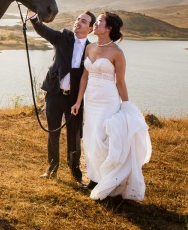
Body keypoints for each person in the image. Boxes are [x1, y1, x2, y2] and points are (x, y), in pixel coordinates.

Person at [71, 12, 152, 201]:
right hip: (91, 101)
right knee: (90, 139)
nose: (96, 24)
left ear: (108, 28)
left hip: (108, 101)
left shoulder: (117, 53)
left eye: (100, 21)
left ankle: (108, 179)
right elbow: (85, 76)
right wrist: (78, 101)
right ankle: (94, 178)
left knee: (103, 140)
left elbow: (120, 83)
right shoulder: (89, 47)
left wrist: (127, 106)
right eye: (96, 21)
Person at [29, 10, 96, 187]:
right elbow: (44, 31)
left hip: (74, 99)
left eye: (83, 21)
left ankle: (75, 173)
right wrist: (33, 18)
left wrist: (81, 100)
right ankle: (51, 168)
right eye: (78, 19)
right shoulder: (63, 37)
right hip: (54, 94)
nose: (78, 23)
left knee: (74, 136)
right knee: (53, 133)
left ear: (90, 29)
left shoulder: (91, 49)